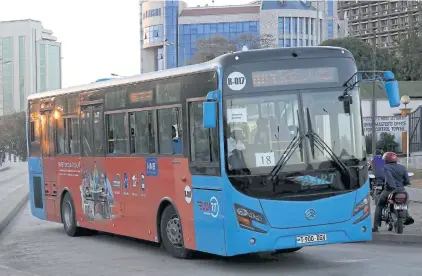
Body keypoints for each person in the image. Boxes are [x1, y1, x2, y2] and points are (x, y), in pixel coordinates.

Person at [372, 151, 414, 232]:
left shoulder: (386, 167)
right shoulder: (403, 167)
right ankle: (407, 216)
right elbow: (407, 181)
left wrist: (392, 187)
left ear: (386, 160)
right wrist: (401, 185)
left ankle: (376, 226)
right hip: (402, 191)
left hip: (389, 190)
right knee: (405, 202)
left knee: (379, 205)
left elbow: (389, 180)